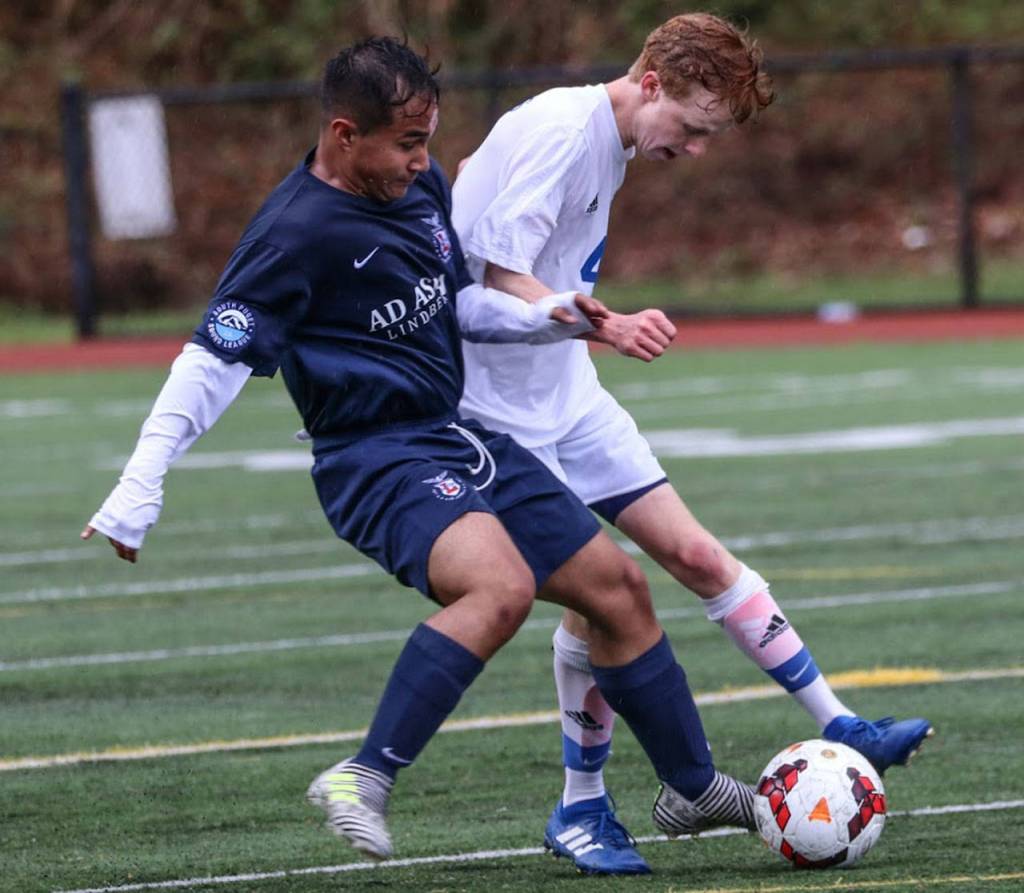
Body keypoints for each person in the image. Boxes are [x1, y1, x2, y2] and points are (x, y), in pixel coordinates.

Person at [82, 37, 758, 871]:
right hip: (374, 458)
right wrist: (140, 481)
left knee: (618, 589)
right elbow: (210, 362)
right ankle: (362, 775)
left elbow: (460, 306)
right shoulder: (295, 232)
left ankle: (691, 786)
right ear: (342, 135)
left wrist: (552, 317)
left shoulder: (418, 187)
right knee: (500, 585)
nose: (424, 162)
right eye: (406, 145)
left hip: (456, 433)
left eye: (428, 140)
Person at [451, 12, 933, 876]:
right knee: (601, 598)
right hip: (501, 414)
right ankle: (583, 806)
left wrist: (585, 333)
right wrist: (604, 323)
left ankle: (841, 722)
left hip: (565, 393)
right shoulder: (566, 132)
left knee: (698, 555)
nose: (697, 149)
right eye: (694, 128)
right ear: (650, 83)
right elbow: (494, 273)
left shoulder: (606, 136)